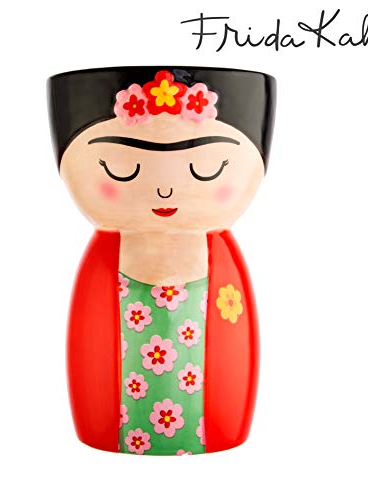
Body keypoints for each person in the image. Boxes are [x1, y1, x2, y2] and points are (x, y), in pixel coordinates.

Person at [47, 66, 276, 454]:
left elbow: (233, 348)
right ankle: (113, 431)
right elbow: (90, 345)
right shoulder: (104, 258)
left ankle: (214, 429)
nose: (166, 189)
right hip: (110, 422)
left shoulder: (221, 255)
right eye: (123, 168)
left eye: (205, 169)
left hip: (216, 422)